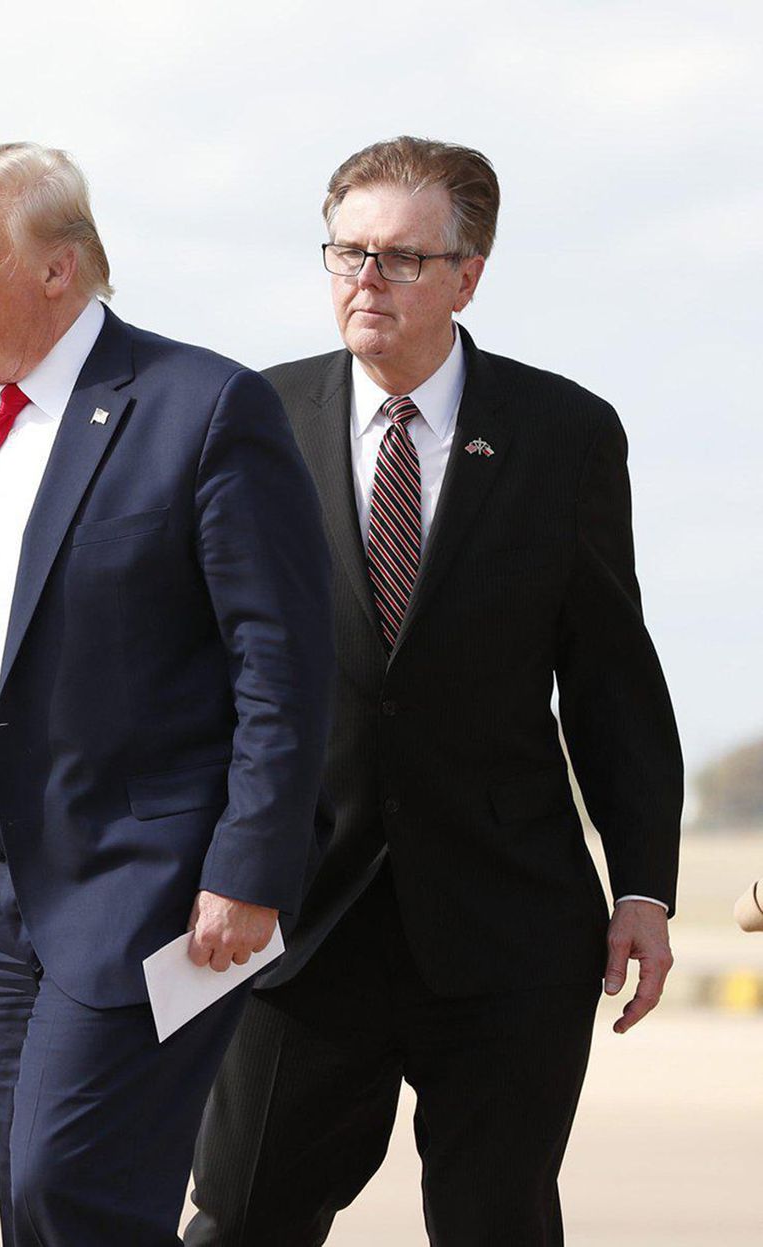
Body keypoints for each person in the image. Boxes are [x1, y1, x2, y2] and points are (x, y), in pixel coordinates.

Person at [188, 136, 683, 1247]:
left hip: (507, 928)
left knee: (496, 1223)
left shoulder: (564, 433)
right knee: (238, 1221)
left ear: (468, 274)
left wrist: (643, 883)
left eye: (403, 258)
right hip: (293, 919)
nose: (367, 278)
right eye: (348, 251)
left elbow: (609, 678)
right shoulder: (245, 422)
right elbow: (193, 673)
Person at [0, 142, 333, 1247]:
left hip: (148, 878)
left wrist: (248, 868)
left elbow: (283, 665)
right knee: (34, 1194)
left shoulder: (202, 406)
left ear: (59, 268)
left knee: (71, 1186)